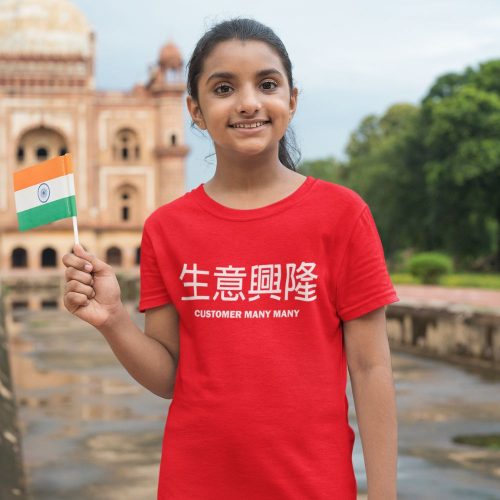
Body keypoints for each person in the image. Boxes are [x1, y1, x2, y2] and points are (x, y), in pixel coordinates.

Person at [62, 17, 400, 500]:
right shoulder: (167, 227)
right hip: (195, 484)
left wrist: (384, 495)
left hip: (312, 485)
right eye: (224, 87)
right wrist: (113, 320)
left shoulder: (342, 216)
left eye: (267, 84)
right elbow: (170, 378)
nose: (248, 102)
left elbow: (371, 369)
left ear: (292, 100)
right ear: (194, 111)